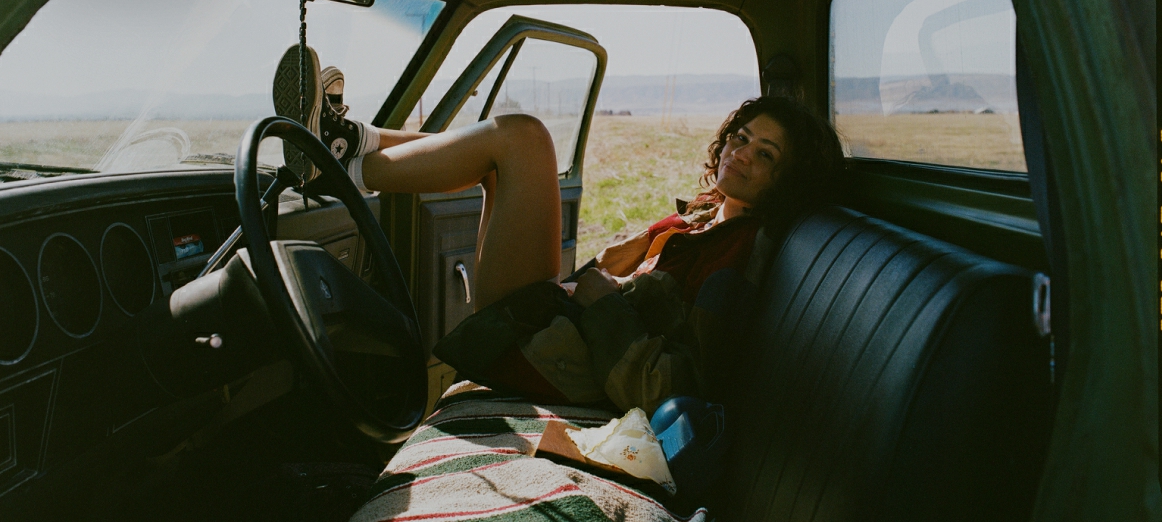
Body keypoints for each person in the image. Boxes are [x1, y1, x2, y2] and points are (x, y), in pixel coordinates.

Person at [272, 46, 844, 415]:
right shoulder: (702, 217)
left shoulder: (737, 258)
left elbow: (671, 391)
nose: (741, 154)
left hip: (561, 358)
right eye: (741, 137)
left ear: (787, 182)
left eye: (765, 154)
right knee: (500, 158)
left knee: (522, 139)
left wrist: (602, 299)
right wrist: (624, 262)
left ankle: (340, 162)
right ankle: (351, 143)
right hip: (563, 321)